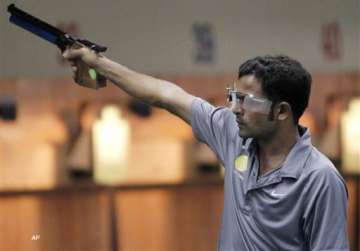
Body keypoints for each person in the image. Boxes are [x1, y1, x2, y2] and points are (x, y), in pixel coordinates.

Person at [63, 47, 349, 250]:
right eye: (232, 97)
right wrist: (99, 64)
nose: (233, 109)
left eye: (244, 100)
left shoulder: (320, 179)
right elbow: (166, 95)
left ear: (282, 111)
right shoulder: (234, 134)